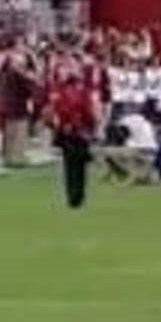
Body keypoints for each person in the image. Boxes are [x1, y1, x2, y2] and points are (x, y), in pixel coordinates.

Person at [49, 59, 100, 210]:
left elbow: (59, 111)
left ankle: (73, 196)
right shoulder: (82, 92)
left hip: (70, 131)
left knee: (70, 166)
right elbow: (88, 112)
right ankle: (78, 195)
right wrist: (92, 127)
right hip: (78, 131)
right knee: (79, 166)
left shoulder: (62, 91)